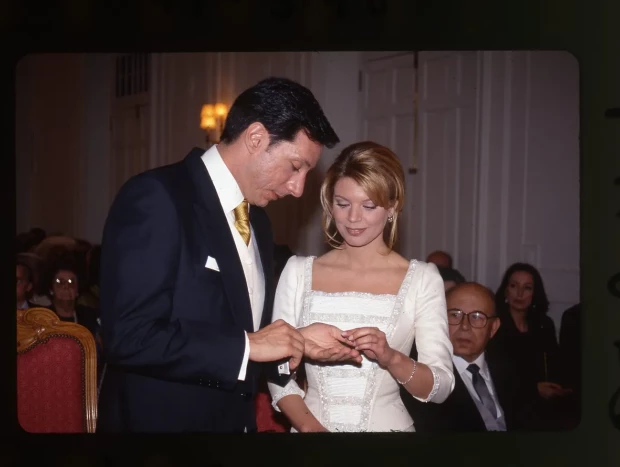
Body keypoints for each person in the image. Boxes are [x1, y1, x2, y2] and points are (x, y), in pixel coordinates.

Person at [97, 77, 358, 433]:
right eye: (295, 167)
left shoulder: (260, 223)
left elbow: (241, 332)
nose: (298, 189)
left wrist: (299, 340)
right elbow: (129, 336)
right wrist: (250, 344)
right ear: (255, 138)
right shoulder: (158, 197)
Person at [268, 141, 454, 432]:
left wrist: (391, 357)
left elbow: (440, 387)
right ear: (330, 203)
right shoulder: (297, 272)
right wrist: (312, 430)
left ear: (392, 206)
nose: (353, 219)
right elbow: (276, 370)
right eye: (343, 204)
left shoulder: (422, 279)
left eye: (369, 206)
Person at [403, 282, 538, 431]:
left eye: (477, 317)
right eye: (455, 315)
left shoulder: (515, 371)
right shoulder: (423, 376)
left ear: (493, 328)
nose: (465, 326)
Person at [488, 262, 572, 430]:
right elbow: (494, 375)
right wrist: (534, 389)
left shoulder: (543, 324)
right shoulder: (494, 325)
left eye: (527, 288)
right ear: (505, 290)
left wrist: (561, 387)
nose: (519, 294)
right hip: (506, 410)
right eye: (514, 286)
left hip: (542, 411)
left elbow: (555, 363)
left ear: (535, 293)